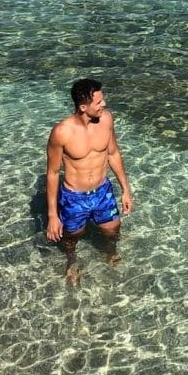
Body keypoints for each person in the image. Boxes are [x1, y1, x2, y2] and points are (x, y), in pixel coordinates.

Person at [46, 77, 133, 282]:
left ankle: (110, 254)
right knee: (72, 236)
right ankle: (71, 260)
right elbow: (52, 173)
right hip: (74, 196)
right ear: (83, 106)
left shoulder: (107, 120)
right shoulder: (62, 132)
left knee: (112, 230)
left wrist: (126, 190)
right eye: (99, 102)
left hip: (102, 191)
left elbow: (113, 153)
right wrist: (52, 215)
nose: (104, 104)